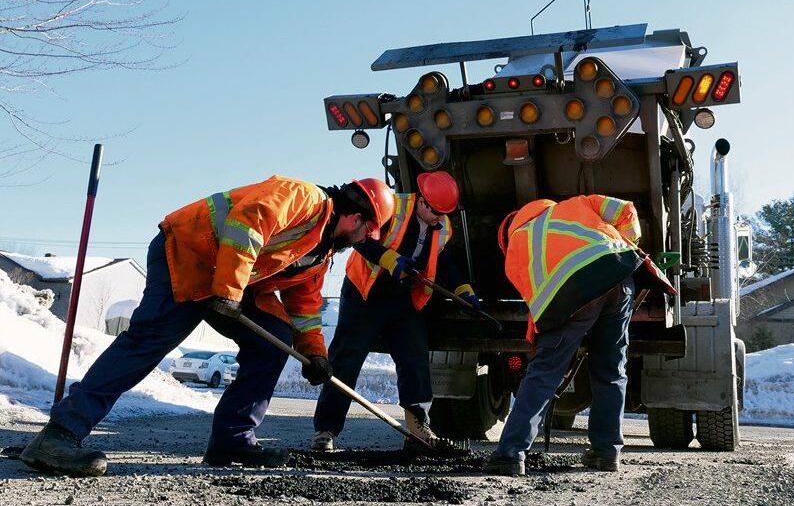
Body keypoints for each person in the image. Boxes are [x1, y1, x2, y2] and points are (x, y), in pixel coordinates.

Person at [20, 175, 395, 477]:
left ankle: (232, 439)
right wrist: (230, 291)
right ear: (356, 217)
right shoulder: (302, 197)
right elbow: (248, 223)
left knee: (273, 341)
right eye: (366, 234)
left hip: (227, 283)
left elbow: (306, 307)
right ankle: (60, 434)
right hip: (187, 255)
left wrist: (314, 354)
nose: (362, 242)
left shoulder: (319, 252)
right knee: (148, 343)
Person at [483, 195, 676, 476]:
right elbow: (627, 210)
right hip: (620, 278)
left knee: (544, 373)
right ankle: (606, 452)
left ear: (508, 233)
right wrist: (622, 247)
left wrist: (538, 346)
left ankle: (511, 454)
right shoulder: (576, 205)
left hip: (574, 295)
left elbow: (539, 307)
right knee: (610, 369)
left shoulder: (516, 248)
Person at [311, 171, 478, 451]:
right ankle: (326, 430)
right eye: (435, 211)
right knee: (346, 358)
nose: (439, 218)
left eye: (444, 213)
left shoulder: (443, 226)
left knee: (415, 360)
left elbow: (446, 261)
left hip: (403, 300)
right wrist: (390, 259)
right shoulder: (392, 205)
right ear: (422, 201)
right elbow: (360, 238)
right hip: (365, 295)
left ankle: (417, 432)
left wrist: (464, 290)